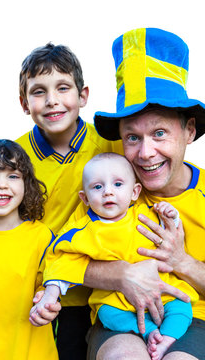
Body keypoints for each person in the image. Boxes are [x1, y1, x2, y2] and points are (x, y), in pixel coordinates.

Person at [80, 28, 205, 359]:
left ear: (189, 130)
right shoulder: (109, 188)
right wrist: (123, 275)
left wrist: (181, 261)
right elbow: (67, 254)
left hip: (195, 318)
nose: (146, 152)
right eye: (132, 137)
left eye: (160, 133)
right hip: (119, 315)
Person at [31, 152, 198, 360]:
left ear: (135, 192)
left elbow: (170, 227)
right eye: (97, 187)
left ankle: (167, 338)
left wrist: (170, 213)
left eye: (118, 185)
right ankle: (149, 333)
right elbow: (60, 261)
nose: (108, 193)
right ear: (84, 198)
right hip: (116, 301)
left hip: (162, 293)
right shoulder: (84, 230)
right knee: (108, 315)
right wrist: (49, 295)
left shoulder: (145, 214)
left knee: (182, 307)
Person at [16, 43, 123, 359]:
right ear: (24, 103)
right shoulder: (13, 158)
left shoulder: (109, 145)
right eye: (38, 92)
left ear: (83, 95)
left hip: (101, 292)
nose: (52, 101)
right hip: (38, 293)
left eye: (63, 88)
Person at [0, 139, 60, 359]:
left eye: (13, 176)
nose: (1, 184)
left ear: (26, 184)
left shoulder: (41, 236)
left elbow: (50, 284)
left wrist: (47, 301)